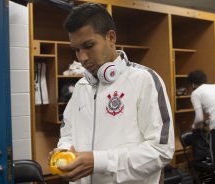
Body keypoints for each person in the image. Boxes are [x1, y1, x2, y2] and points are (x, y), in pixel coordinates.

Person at [48, 3, 175, 184]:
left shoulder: (144, 80)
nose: (82, 58)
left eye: (88, 45)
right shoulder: (81, 87)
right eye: (76, 49)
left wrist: (98, 162)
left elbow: (161, 150)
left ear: (111, 37)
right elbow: (68, 134)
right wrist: (64, 150)